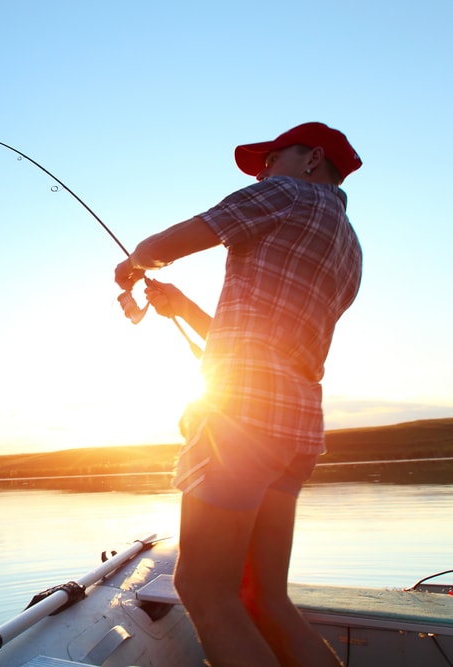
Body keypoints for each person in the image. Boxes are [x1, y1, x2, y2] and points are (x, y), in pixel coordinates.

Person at [114, 122, 363, 667]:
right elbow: (265, 344)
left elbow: (161, 247)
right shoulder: (350, 246)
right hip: (295, 429)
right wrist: (181, 308)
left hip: (242, 422)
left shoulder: (286, 192)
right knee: (264, 598)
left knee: (205, 588)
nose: (263, 171)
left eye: (272, 158)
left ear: (312, 158)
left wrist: (134, 263)